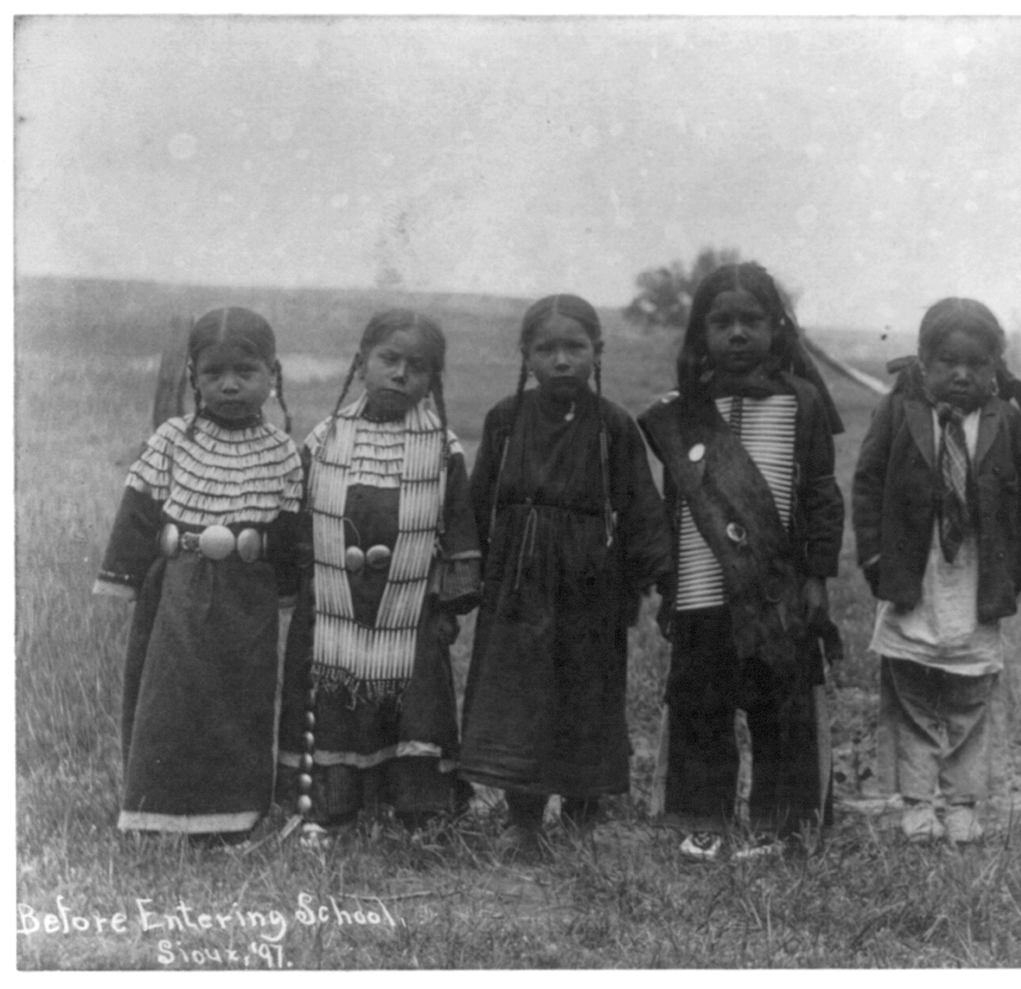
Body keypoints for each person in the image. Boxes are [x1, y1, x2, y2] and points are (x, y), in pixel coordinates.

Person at [639, 261, 845, 862]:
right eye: (721, 321)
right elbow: (678, 505)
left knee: (780, 707)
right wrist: (673, 583)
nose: (736, 334)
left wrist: (817, 578)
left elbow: (820, 498)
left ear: (776, 329)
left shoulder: (803, 403)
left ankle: (781, 825)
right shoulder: (681, 415)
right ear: (700, 332)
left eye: (750, 320)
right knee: (702, 707)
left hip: (778, 592)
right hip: (704, 589)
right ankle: (705, 822)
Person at [458, 295, 670, 851]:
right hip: (517, 586)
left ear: (596, 352)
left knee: (587, 695)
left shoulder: (613, 427)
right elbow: (478, 503)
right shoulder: (505, 421)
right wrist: (461, 576)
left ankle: (581, 819)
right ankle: (523, 820)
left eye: (574, 347)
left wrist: (663, 581)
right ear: (525, 355)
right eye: (545, 348)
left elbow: (643, 507)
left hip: (590, 587)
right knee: (518, 698)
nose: (560, 360)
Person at [94, 307, 303, 843]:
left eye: (246, 372)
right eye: (214, 374)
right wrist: (122, 578)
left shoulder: (282, 452)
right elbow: (139, 510)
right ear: (193, 378)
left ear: (272, 375)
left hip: (246, 598)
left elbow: (286, 530)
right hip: (179, 591)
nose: (229, 385)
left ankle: (232, 814)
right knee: (171, 696)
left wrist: (287, 594)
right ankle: (158, 810)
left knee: (241, 698)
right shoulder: (172, 439)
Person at [279, 309, 480, 841]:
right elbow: (300, 524)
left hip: (409, 606)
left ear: (432, 379)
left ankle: (420, 813)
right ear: (362, 362)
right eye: (389, 359)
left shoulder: (442, 449)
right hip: (333, 606)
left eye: (417, 366)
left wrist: (449, 604)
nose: (399, 374)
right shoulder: (324, 441)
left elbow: (459, 529)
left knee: (416, 707)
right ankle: (330, 810)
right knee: (335, 705)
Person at [853, 298, 1021, 844]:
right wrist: (873, 558)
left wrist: (1020, 569)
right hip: (918, 572)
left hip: (976, 575)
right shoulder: (900, 413)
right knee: (910, 690)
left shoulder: (1006, 420)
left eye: (977, 364)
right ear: (923, 361)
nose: (961, 375)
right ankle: (916, 803)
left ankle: (961, 802)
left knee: (970, 693)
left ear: (995, 367)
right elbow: (867, 484)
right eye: (946, 363)